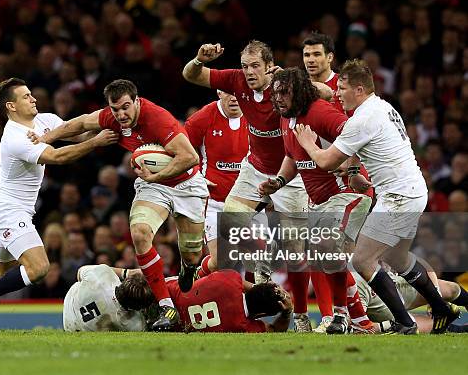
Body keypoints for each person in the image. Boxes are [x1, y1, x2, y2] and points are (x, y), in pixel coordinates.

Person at [293, 59, 459, 334]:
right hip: (412, 189)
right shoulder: (383, 107)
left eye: (343, 88)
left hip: (398, 195)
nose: (337, 93)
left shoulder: (362, 119)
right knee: (398, 259)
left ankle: (405, 323)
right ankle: (443, 309)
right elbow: (362, 152)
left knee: (362, 260)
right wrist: (355, 171)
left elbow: (326, 161)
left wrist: (309, 144)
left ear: (359, 89)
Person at [30, 79, 208, 331]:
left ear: (136, 101)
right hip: (153, 186)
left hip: (186, 184)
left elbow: (189, 157)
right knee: (139, 233)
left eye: (126, 107)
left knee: (192, 254)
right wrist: (46, 138)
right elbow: (80, 123)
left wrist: (155, 175)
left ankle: (188, 268)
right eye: (115, 109)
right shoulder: (111, 117)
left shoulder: (158, 119)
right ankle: (165, 305)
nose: (121, 114)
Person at [182, 41, 329, 332]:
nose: (248, 72)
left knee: (297, 253)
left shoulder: (283, 84)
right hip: (255, 168)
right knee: (232, 221)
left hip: (292, 172)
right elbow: (191, 75)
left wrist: (290, 78)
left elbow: (326, 92)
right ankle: (261, 261)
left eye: (255, 66)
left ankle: (301, 316)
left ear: (268, 65)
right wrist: (198, 60)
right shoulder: (236, 80)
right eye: (245, 65)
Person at [0, 78, 118, 333]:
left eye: (31, 94)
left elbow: (77, 129)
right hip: (8, 211)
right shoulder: (14, 137)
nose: (33, 98)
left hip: (17, 211)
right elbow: (57, 156)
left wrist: (110, 120)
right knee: (38, 268)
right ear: (11, 106)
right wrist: (95, 142)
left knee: (1, 272)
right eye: (26, 97)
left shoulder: (44, 119)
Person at [258, 67, 374, 334]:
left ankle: (345, 317)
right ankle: (362, 319)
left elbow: (355, 135)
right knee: (319, 255)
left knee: (323, 245)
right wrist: (278, 182)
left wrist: (354, 171)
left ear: (299, 92)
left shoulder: (319, 111)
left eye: (284, 92)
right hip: (320, 201)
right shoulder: (286, 119)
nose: (278, 99)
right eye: (275, 93)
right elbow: (292, 156)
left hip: (347, 193)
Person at [184, 90, 250, 276]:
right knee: (223, 260)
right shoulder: (202, 119)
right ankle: (197, 275)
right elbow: (178, 149)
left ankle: (249, 303)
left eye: (239, 91)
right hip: (214, 202)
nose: (235, 97)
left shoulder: (258, 115)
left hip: (249, 202)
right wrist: (195, 176)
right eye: (229, 92)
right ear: (219, 92)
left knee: (257, 260)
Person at [354, 261, 467, 333]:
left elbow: (423, 265)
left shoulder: (380, 243)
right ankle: (456, 328)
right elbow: (357, 325)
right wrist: (383, 326)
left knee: (451, 288)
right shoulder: (355, 271)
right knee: (409, 324)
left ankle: (444, 309)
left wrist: (435, 299)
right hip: (372, 299)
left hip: (395, 284)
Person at [166, 270, 292, 333]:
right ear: (262, 315)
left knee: (207, 266)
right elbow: (274, 329)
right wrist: (286, 313)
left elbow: (248, 286)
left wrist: (269, 288)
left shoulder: (231, 279)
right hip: (168, 326)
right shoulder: (241, 325)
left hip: (163, 293)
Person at [63, 264, 154, 332]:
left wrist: (127, 273)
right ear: (135, 308)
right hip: (82, 331)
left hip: (68, 314)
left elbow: (79, 273)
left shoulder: (101, 275)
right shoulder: (133, 324)